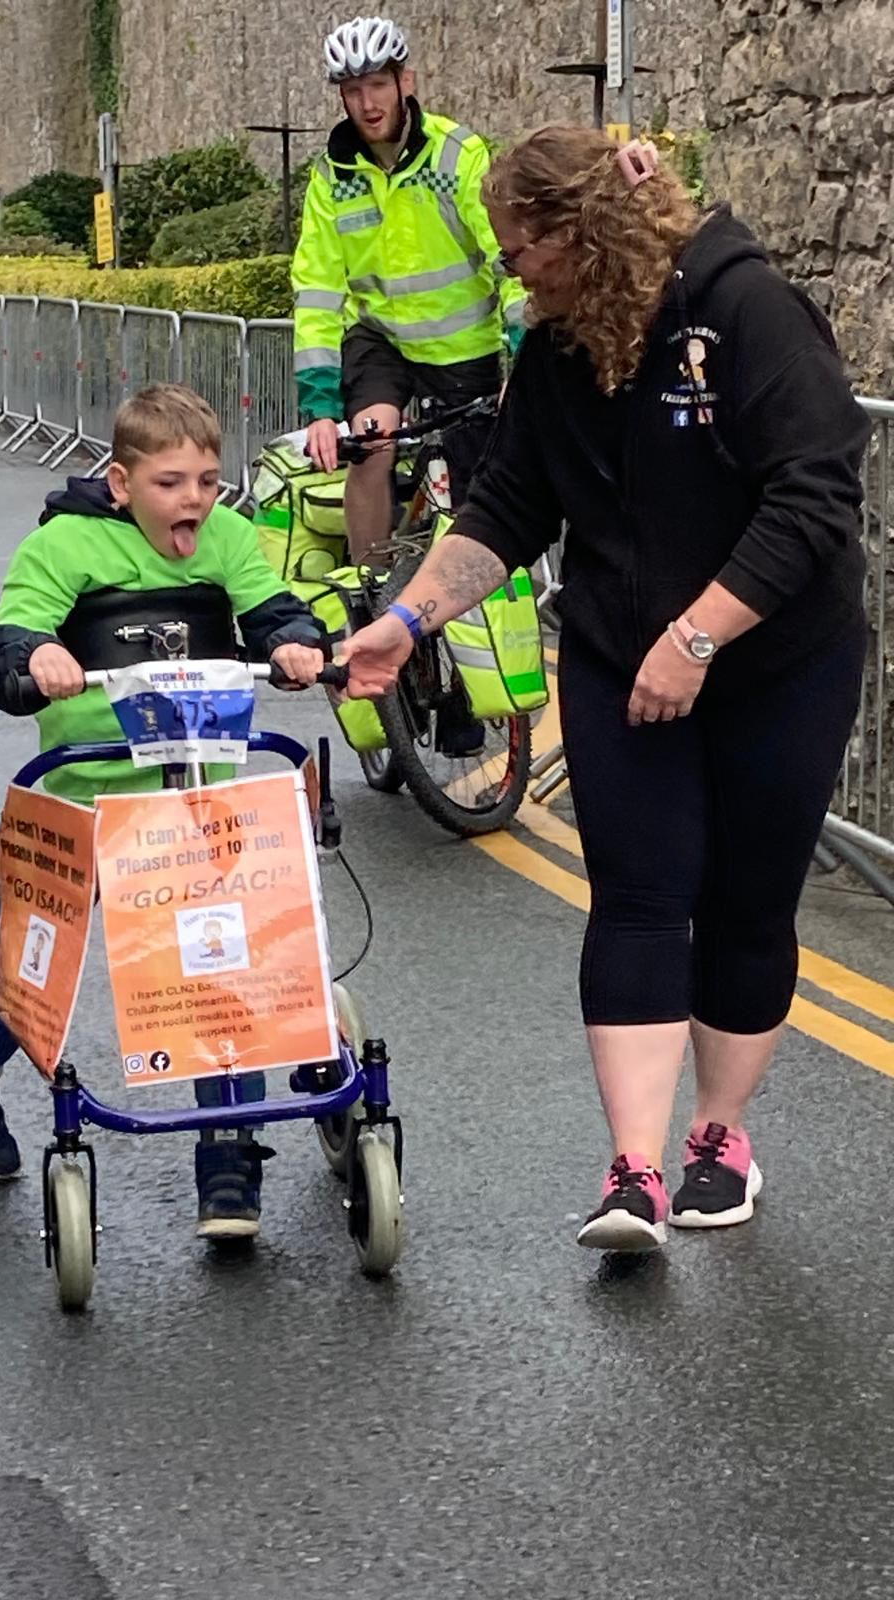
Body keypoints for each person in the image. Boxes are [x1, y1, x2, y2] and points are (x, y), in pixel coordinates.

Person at [339, 126, 869, 1253]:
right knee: (637, 892)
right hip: (622, 662)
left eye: (522, 247)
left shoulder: (748, 314)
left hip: (777, 662)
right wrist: (404, 620)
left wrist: (699, 638)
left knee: (745, 898)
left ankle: (718, 1135)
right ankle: (634, 1170)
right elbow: (509, 507)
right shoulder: (558, 352)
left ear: (583, 233)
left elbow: (814, 499)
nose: (511, 272)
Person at [0, 383, 326, 1243]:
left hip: (197, 795)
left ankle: (228, 1157)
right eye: (172, 482)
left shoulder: (224, 538)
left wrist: (295, 643)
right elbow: (7, 642)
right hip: (87, 794)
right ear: (121, 482)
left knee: (222, 973)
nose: (195, 501)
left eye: (209, 482)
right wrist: (38, 655)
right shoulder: (66, 543)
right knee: (30, 979)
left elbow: (269, 607)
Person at [292, 15, 526, 560]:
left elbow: (507, 254)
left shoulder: (457, 155)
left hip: (463, 347)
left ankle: (475, 610)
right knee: (371, 447)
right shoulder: (332, 177)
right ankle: (370, 591)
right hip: (382, 343)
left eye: (378, 84)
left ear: (406, 82)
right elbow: (317, 290)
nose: (368, 102)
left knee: (479, 488)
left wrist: (524, 344)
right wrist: (321, 406)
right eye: (353, 90)